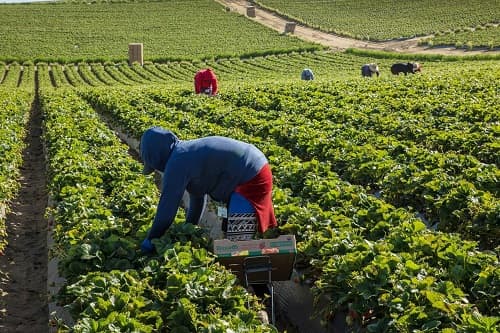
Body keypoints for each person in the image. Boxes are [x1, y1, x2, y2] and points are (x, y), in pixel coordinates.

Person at [139, 126, 278, 253]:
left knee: (237, 243)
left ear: (157, 158)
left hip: (251, 176)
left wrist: (151, 239)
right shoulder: (184, 153)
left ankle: (259, 271)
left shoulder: (177, 163)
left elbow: (166, 210)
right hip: (254, 164)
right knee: (234, 238)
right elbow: (197, 199)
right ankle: (258, 264)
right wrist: (189, 228)